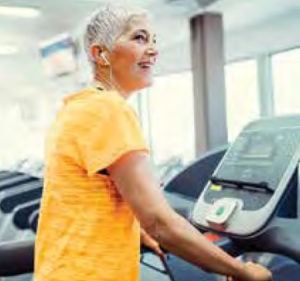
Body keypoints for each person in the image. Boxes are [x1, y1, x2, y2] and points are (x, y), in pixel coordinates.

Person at [34, 5, 272, 281]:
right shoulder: (109, 110)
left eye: (153, 40)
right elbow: (160, 222)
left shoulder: (77, 108)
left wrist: (136, 226)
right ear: (101, 54)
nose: (153, 49)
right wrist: (241, 271)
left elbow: (88, 198)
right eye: (139, 38)